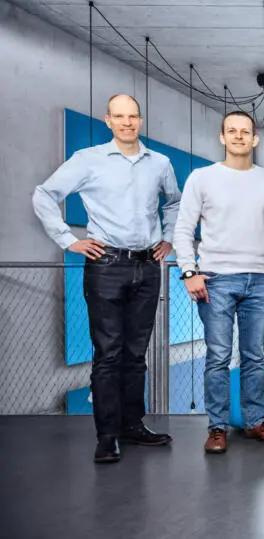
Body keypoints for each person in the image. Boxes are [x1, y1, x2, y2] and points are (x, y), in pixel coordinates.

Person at [33, 94, 180, 464]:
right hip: (106, 266)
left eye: (133, 116)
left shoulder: (160, 163)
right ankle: (107, 436)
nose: (127, 122)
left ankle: (133, 425)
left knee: (135, 354)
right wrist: (69, 240)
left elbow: (174, 202)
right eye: (119, 116)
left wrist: (169, 237)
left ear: (140, 120)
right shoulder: (88, 160)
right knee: (108, 354)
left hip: (147, 267)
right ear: (108, 120)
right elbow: (45, 195)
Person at [173, 110, 264, 454]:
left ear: (254, 139)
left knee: (253, 357)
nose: (239, 136)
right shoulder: (201, 178)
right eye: (232, 131)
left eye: (246, 132)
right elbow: (183, 228)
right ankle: (217, 427)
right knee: (218, 357)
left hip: (259, 280)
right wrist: (189, 272)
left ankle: (255, 423)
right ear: (222, 138)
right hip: (216, 279)